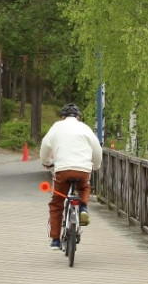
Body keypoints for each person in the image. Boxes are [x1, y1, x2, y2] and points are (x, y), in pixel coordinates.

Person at [39, 103, 103, 250]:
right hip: (83, 169)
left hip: (63, 169)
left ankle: (55, 240)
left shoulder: (56, 127)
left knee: (57, 202)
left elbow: (45, 146)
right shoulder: (85, 128)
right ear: (78, 117)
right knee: (84, 187)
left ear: (63, 117)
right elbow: (97, 150)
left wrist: (47, 162)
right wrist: (96, 165)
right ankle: (83, 208)